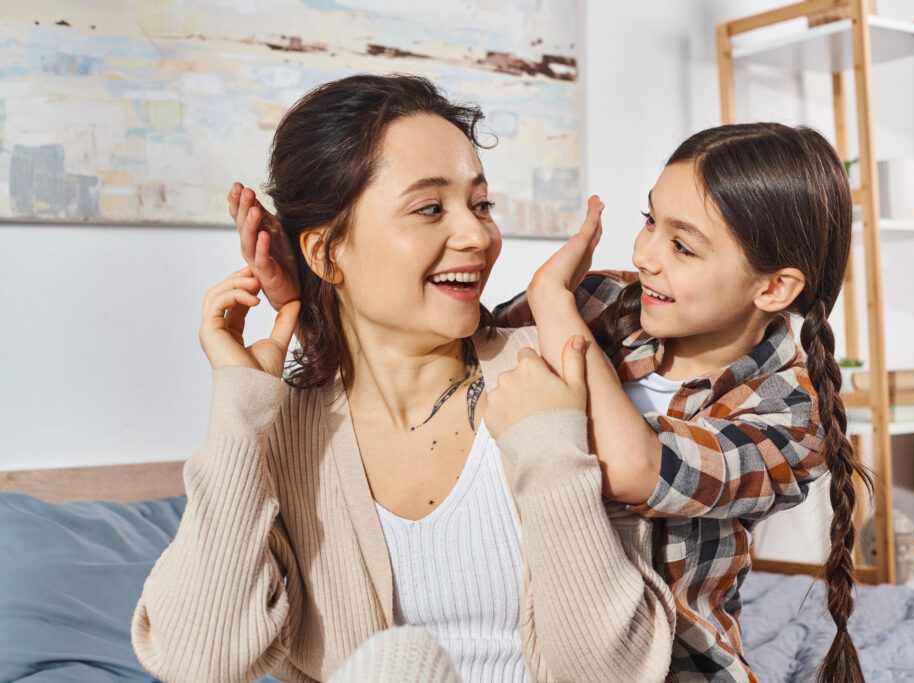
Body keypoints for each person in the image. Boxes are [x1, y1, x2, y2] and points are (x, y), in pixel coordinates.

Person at [130, 74, 676, 683]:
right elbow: (195, 662)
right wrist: (239, 410)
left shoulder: (552, 373)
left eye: (481, 204)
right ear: (326, 252)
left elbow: (618, 673)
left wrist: (550, 450)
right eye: (429, 208)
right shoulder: (285, 427)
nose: (477, 235)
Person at [494, 122, 872, 682]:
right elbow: (464, 353)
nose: (645, 254)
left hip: (672, 666)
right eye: (650, 220)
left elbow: (635, 470)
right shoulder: (600, 301)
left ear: (772, 288)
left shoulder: (793, 419)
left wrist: (551, 298)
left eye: (682, 245)